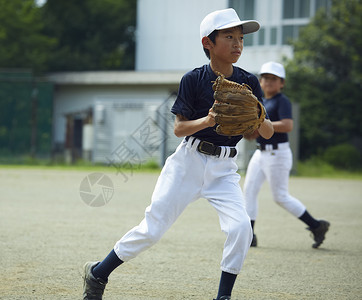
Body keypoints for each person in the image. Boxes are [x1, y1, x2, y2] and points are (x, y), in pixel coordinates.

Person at [82, 8, 274, 300]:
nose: (238, 44)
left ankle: (223, 297)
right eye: (229, 37)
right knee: (152, 230)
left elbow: (265, 132)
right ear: (207, 43)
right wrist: (208, 121)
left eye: (241, 38)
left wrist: (259, 116)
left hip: (224, 168)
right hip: (189, 162)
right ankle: (98, 273)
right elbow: (179, 128)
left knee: (241, 230)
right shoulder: (194, 80)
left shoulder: (249, 82)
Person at [243, 61, 330, 249]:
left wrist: (261, 125)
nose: (268, 82)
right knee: (249, 191)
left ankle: (316, 225)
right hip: (260, 153)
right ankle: (249, 235)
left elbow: (288, 125)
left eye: (274, 78)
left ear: (282, 83)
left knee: (280, 196)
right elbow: (258, 129)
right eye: (265, 78)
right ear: (260, 80)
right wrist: (250, 130)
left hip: (277, 153)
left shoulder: (282, 100)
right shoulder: (261, 101)